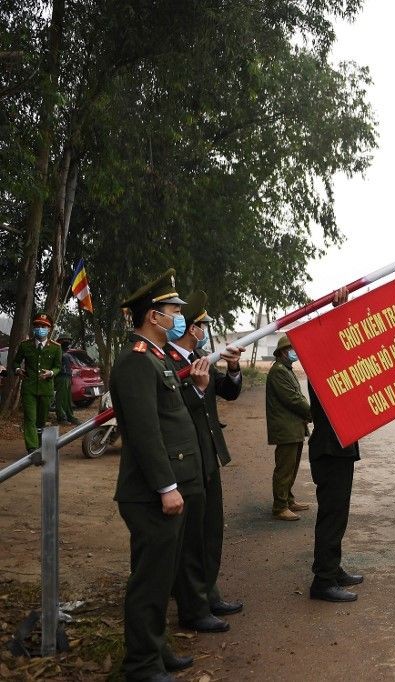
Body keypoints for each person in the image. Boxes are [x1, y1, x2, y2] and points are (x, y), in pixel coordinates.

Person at [111, 269, 209, 681]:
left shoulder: (158, 358)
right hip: (151, 493)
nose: (178, 318)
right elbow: (145, 432)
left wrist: (201, 387)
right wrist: (167, 487)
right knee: (149, 581)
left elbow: (172, 417)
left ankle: (156, 648)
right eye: (173, 311)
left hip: (167, 488)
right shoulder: (136, 362)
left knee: (162, 575)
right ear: (153, 316)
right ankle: (141, 663)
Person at [164, 291, 243, 633]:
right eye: (203, 325)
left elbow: (226, 390)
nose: (206, 331)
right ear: (190, 326)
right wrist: (195, 389)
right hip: (184, 459)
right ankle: (192, 606)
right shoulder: (165, 360)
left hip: (208, 454)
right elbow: (172, 408)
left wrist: (235, 368)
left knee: (211, 530)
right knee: (191, 536)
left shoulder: (199, 357)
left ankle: (209, 593)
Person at [307, 287, 363, 603]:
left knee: (338, 514)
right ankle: (323, 581)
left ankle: (333, 568)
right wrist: (337, 316)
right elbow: (334, 349)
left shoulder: (329, 367)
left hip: (339, 449)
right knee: (331, 516)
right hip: (330, 451)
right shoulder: (322, 370)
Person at [266, 334, 312, 521]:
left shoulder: (286, 369)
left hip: (293, 426)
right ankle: (280, 506)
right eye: (293, 350)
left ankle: (288, 499)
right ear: (284, 352)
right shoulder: (278, 371)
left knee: (291, 467)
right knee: (284, 468)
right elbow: (293, 399)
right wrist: (312, 412)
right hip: (286, 428)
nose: (296, 353)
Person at [12, 314, 62, 452]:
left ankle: (40, 444)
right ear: (34, 328)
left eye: (44, 326)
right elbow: (15, 362)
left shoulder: (56, 348)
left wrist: (51, 373)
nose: (40, 329)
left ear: (49, 329)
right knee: (30, 418)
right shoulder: (25, 345)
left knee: (41, 420)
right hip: (29, 388)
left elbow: (58, 367)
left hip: (46, 389)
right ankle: (32, 449)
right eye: (38, 326)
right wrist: (17, 369)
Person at [54, 337, 80, 425]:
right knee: (61, 398)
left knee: (68, 399)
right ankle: (62, 418)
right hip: (61, 377)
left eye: (69, 341)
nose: (67, 342)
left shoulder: (66, 353)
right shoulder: (58, 352)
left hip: (68, 377)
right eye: (65, 341)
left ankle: (70, 416)